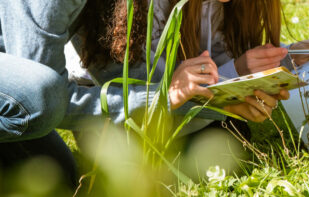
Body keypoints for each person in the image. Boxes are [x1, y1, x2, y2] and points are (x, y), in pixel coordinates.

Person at [0, 0, 286, 188]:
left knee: (59, 178)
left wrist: (224, 100)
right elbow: (43, 100)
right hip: (26, 82)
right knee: (40, 99)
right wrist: (170, 99)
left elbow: (135, 83)